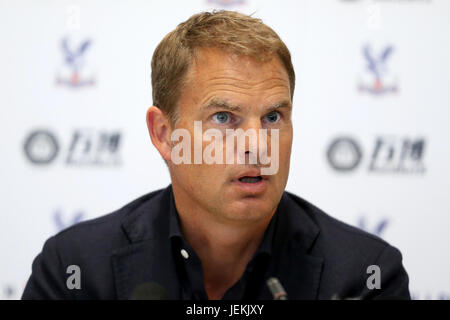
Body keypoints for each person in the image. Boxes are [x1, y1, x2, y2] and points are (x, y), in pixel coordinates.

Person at [22, 10, 410, 300]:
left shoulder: (365, 275)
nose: (258, 146)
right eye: (224, 118)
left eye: (274, 116)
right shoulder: (75, 270)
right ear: (164, 134)